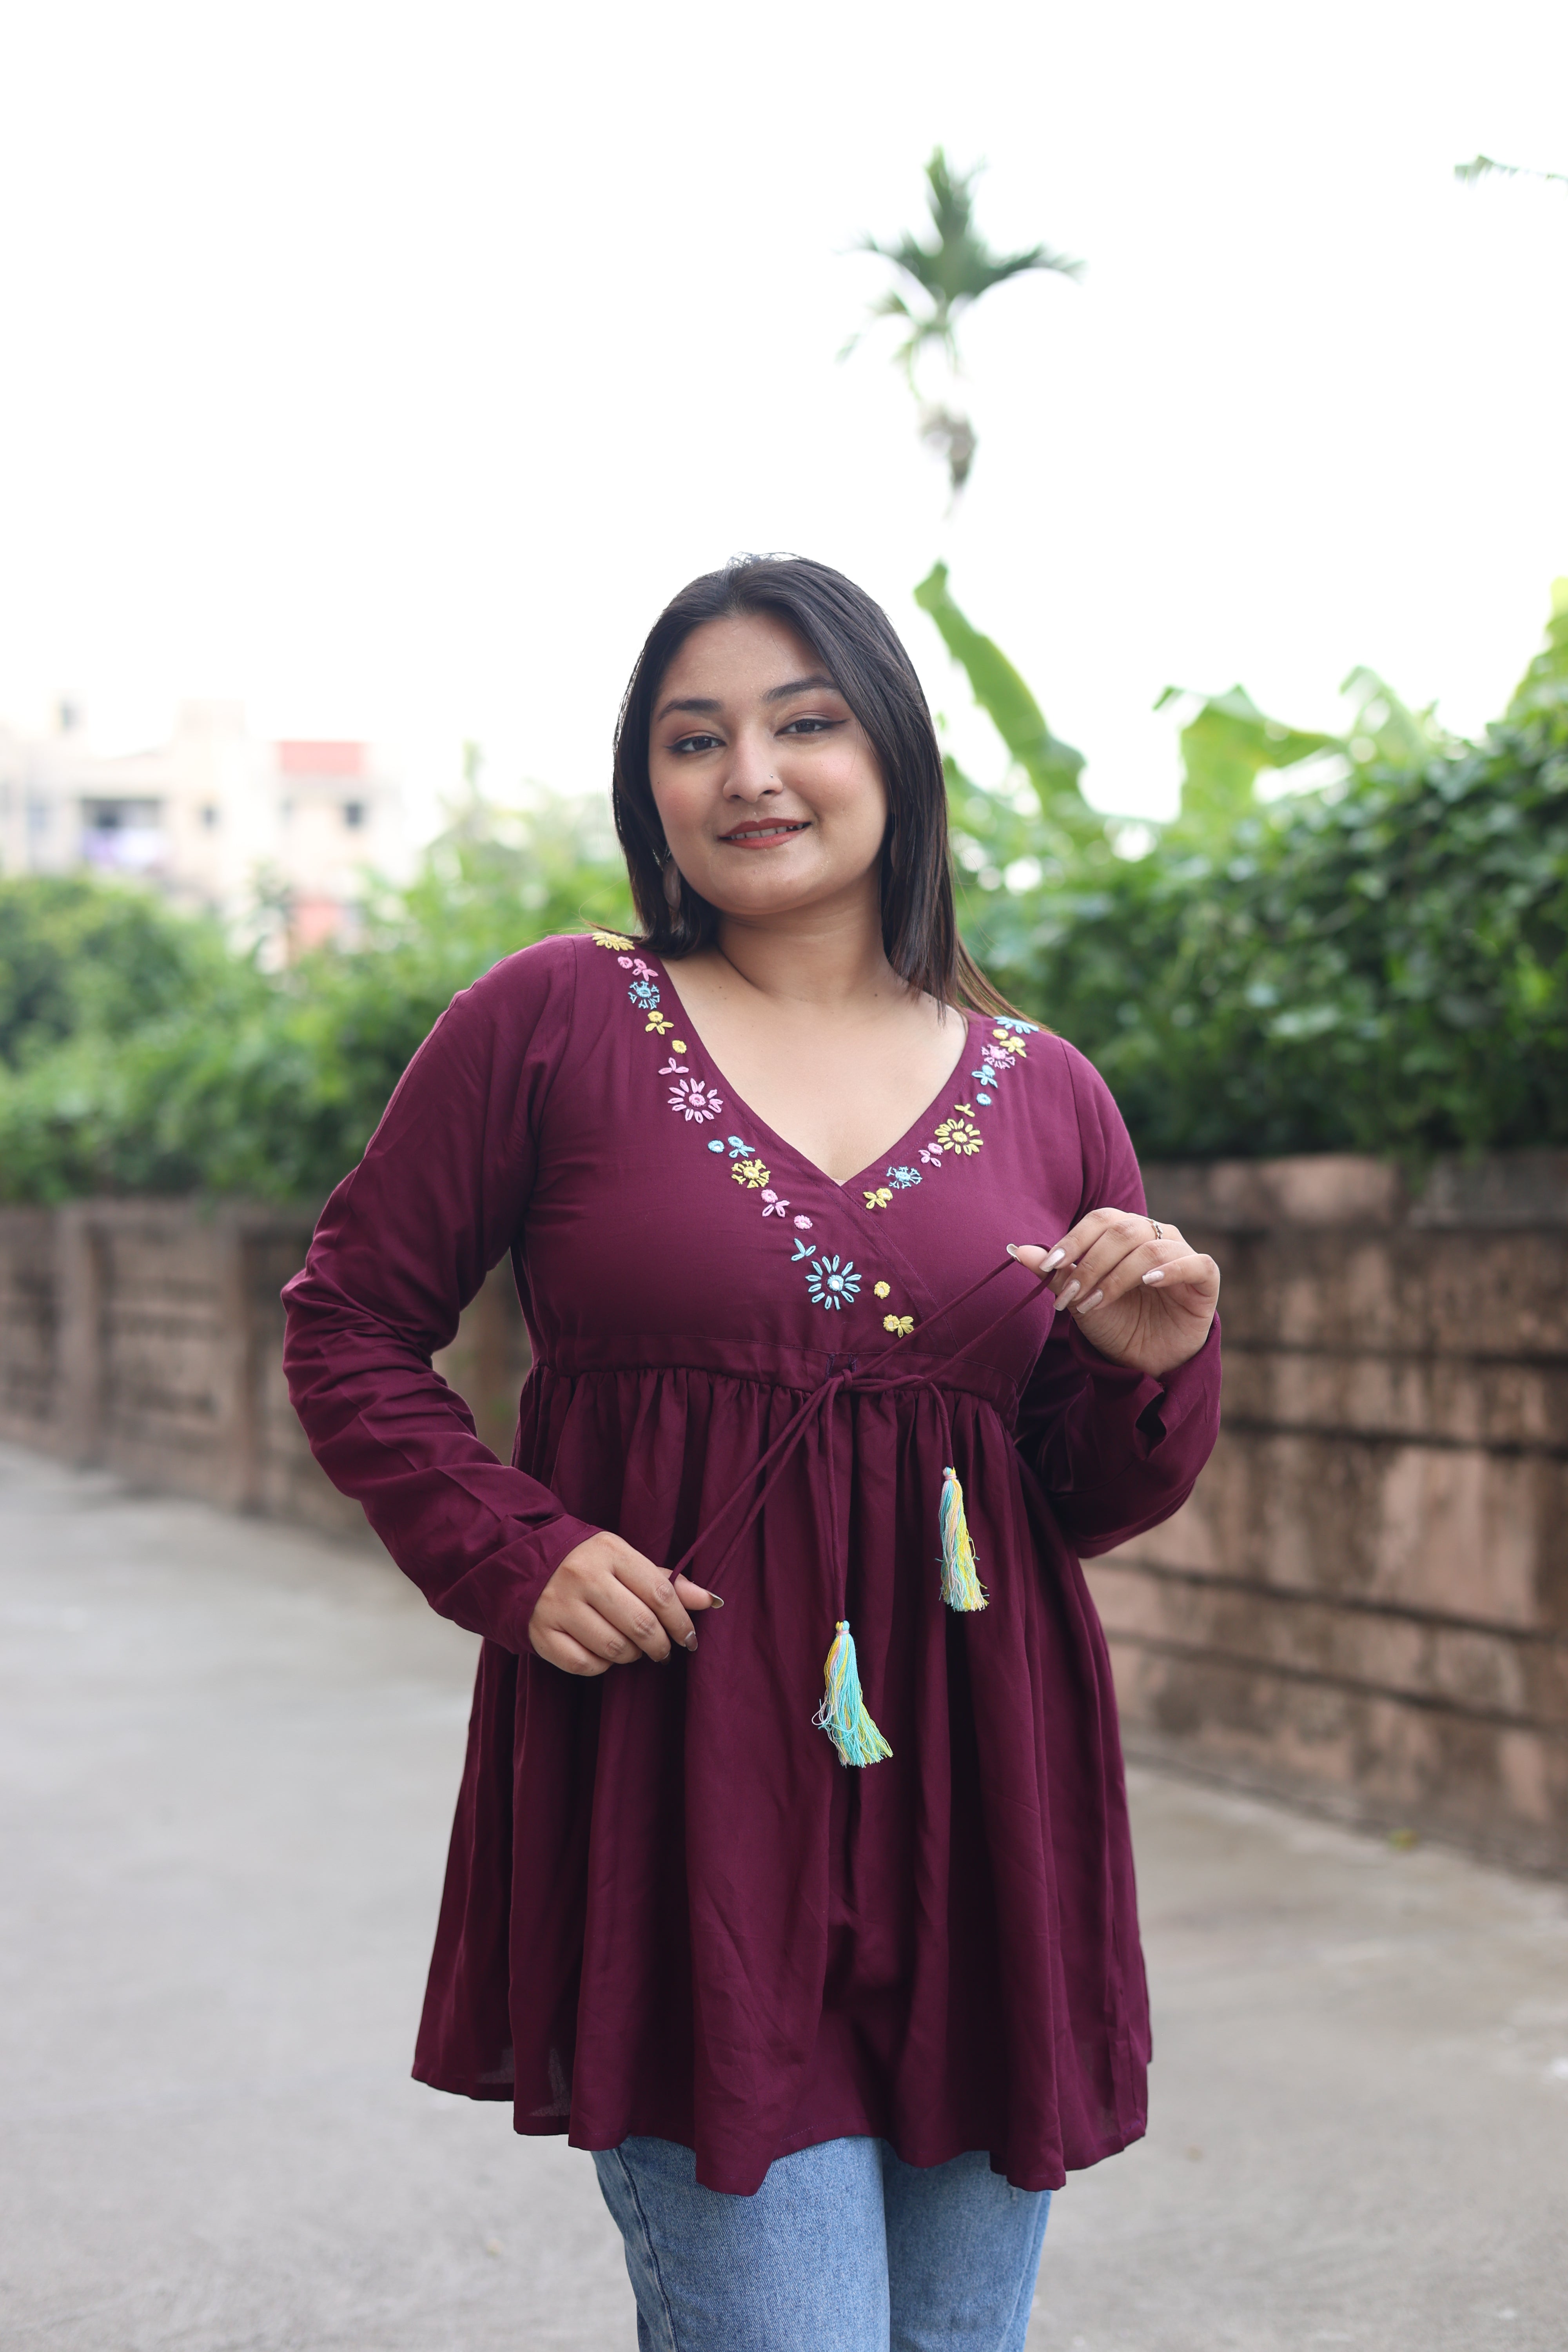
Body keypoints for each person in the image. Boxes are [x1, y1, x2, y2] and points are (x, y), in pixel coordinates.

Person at [283, 555, 1222, 2351]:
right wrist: (517, 1549)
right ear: (648, 787)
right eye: (692, 738)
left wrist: (1150, 1368)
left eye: (804, 722)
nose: (751, 775)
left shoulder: (1049, 1092)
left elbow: (1071, 1501)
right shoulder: (553, 1019)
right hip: (676, 1789)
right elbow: (346, 1320)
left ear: (894, 753)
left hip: (981, 1811)